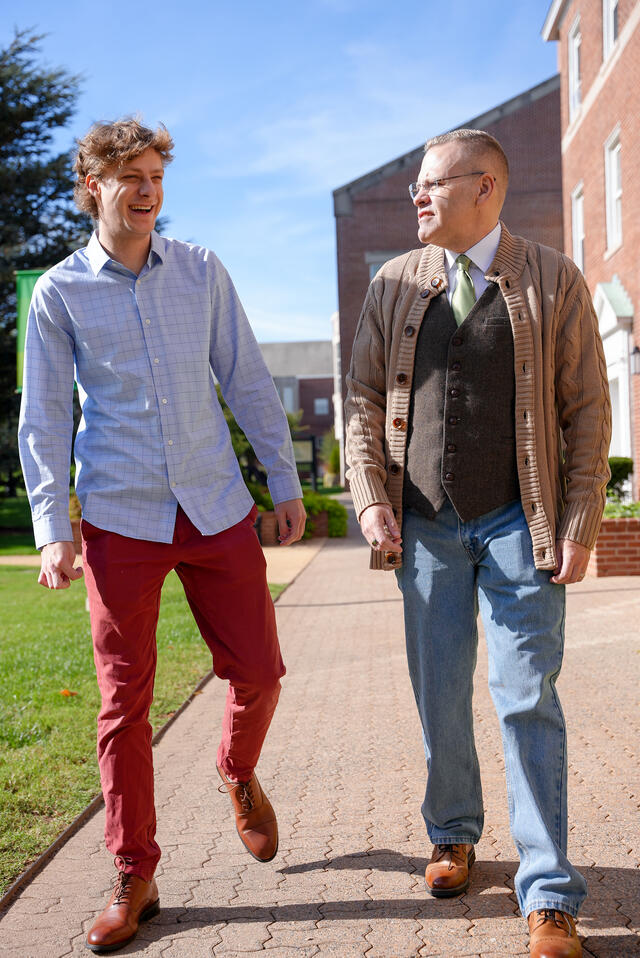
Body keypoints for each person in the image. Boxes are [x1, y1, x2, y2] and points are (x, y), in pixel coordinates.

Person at [18, 118, 306, 954]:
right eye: (128, 178)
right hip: (119, 514)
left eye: (155, 177)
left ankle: (235, 769)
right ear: (93, 188)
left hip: (215, 506)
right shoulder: (60, 294)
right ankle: (134, 871)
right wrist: (50, 530)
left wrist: (281, 483)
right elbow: (44, 420)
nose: (146, 192)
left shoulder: (203, 271)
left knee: (260, 672)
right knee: (123, 705)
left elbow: (246, 378)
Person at [345, 128, 610, 958]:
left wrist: (577, 524)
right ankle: (452, 832)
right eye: (415, 188)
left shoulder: (552, 280)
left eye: (431, 184)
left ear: (486, 186)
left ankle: (549, 895)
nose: (415, 198)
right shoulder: (393, 283)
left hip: (515, 525)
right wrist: (370, 503)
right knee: (439, 694)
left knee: (527, 695)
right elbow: (359, 401)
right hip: (424, 526)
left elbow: (587, 412)